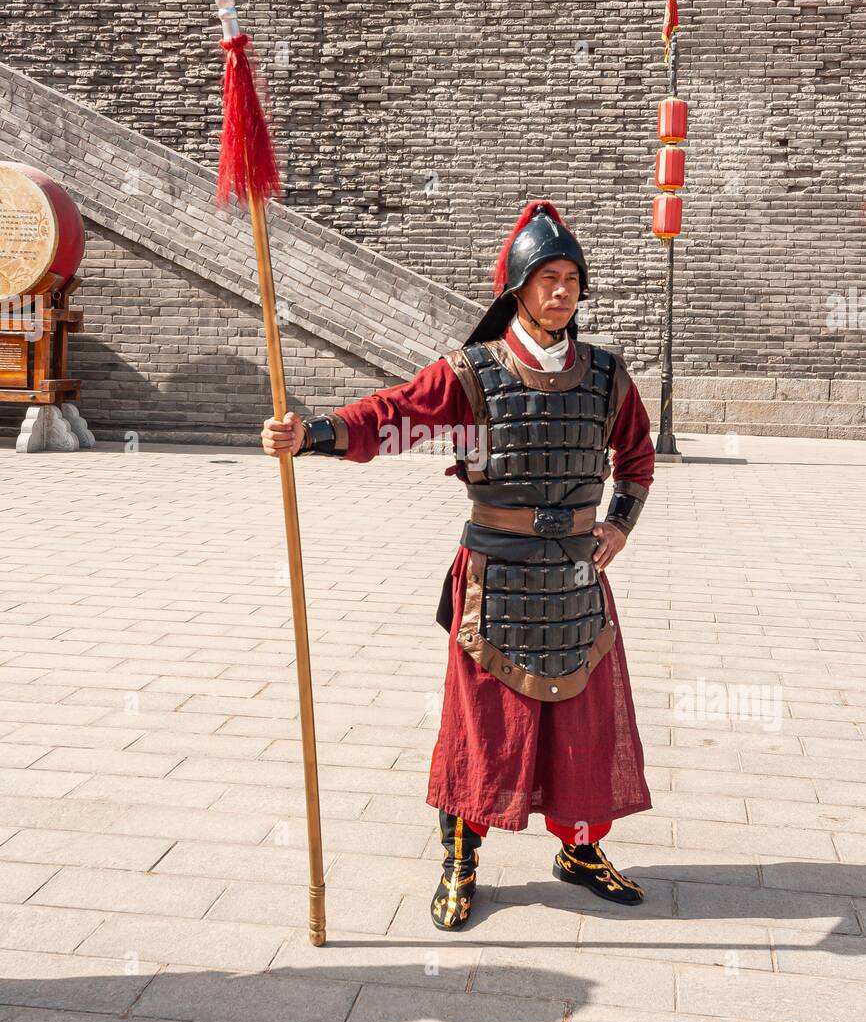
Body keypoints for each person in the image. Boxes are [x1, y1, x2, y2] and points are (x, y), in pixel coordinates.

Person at [262, 200, 654, 930]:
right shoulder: (471, 375)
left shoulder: (607, 376)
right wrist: (311, 433)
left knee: (583, 723)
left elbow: (636, 457)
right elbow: (393, 414)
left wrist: (619, 525)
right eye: (547, 278)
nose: (562, 291)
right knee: (481, 729)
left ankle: (579, 849)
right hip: (494, 582)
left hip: (575, 580)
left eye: (572, 278)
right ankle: (460, 860)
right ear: (517, 288)